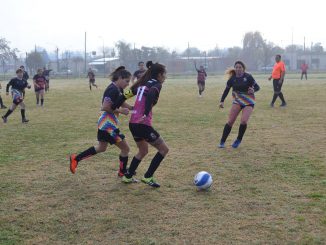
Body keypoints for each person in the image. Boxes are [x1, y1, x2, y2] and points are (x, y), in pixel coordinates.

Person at [69, 66, 133, 176]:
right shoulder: (112, 89)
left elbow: (120, 101)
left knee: (102, 148)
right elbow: (105, 107)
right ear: (120, 78)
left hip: (105, 123)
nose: (128, 84)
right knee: (125, 148)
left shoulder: (118, 89)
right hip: (108, 126)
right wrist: (121, 111)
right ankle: (122, 172)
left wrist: (133, 108)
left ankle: (76, 159)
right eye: (127, 81)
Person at [122, 61, 169, 188]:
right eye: (164, 74)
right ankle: (148, 176)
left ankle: (128, 176)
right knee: (164, 149)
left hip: (133, 123)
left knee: (143, 151)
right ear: (159, 75)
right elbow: (152, 95)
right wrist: (146, 113)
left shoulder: (142, 84)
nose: (165, 77)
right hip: (143, 124)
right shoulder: (157, 85)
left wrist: (116, 104)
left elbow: (125, 95)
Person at [218, 61, 260, 148]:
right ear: (235, 68)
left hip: (249, 101)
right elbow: (226, 90)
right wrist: (222, 101)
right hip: (237, 101)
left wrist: (253, 90)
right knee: (230, 121)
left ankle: (238, 139)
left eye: (240, 67)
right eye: (236, 67)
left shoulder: (248, 77)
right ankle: (222, 141)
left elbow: (257, 87)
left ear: (243, 68)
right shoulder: (232, 79)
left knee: (244, 121)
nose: (238, 69)